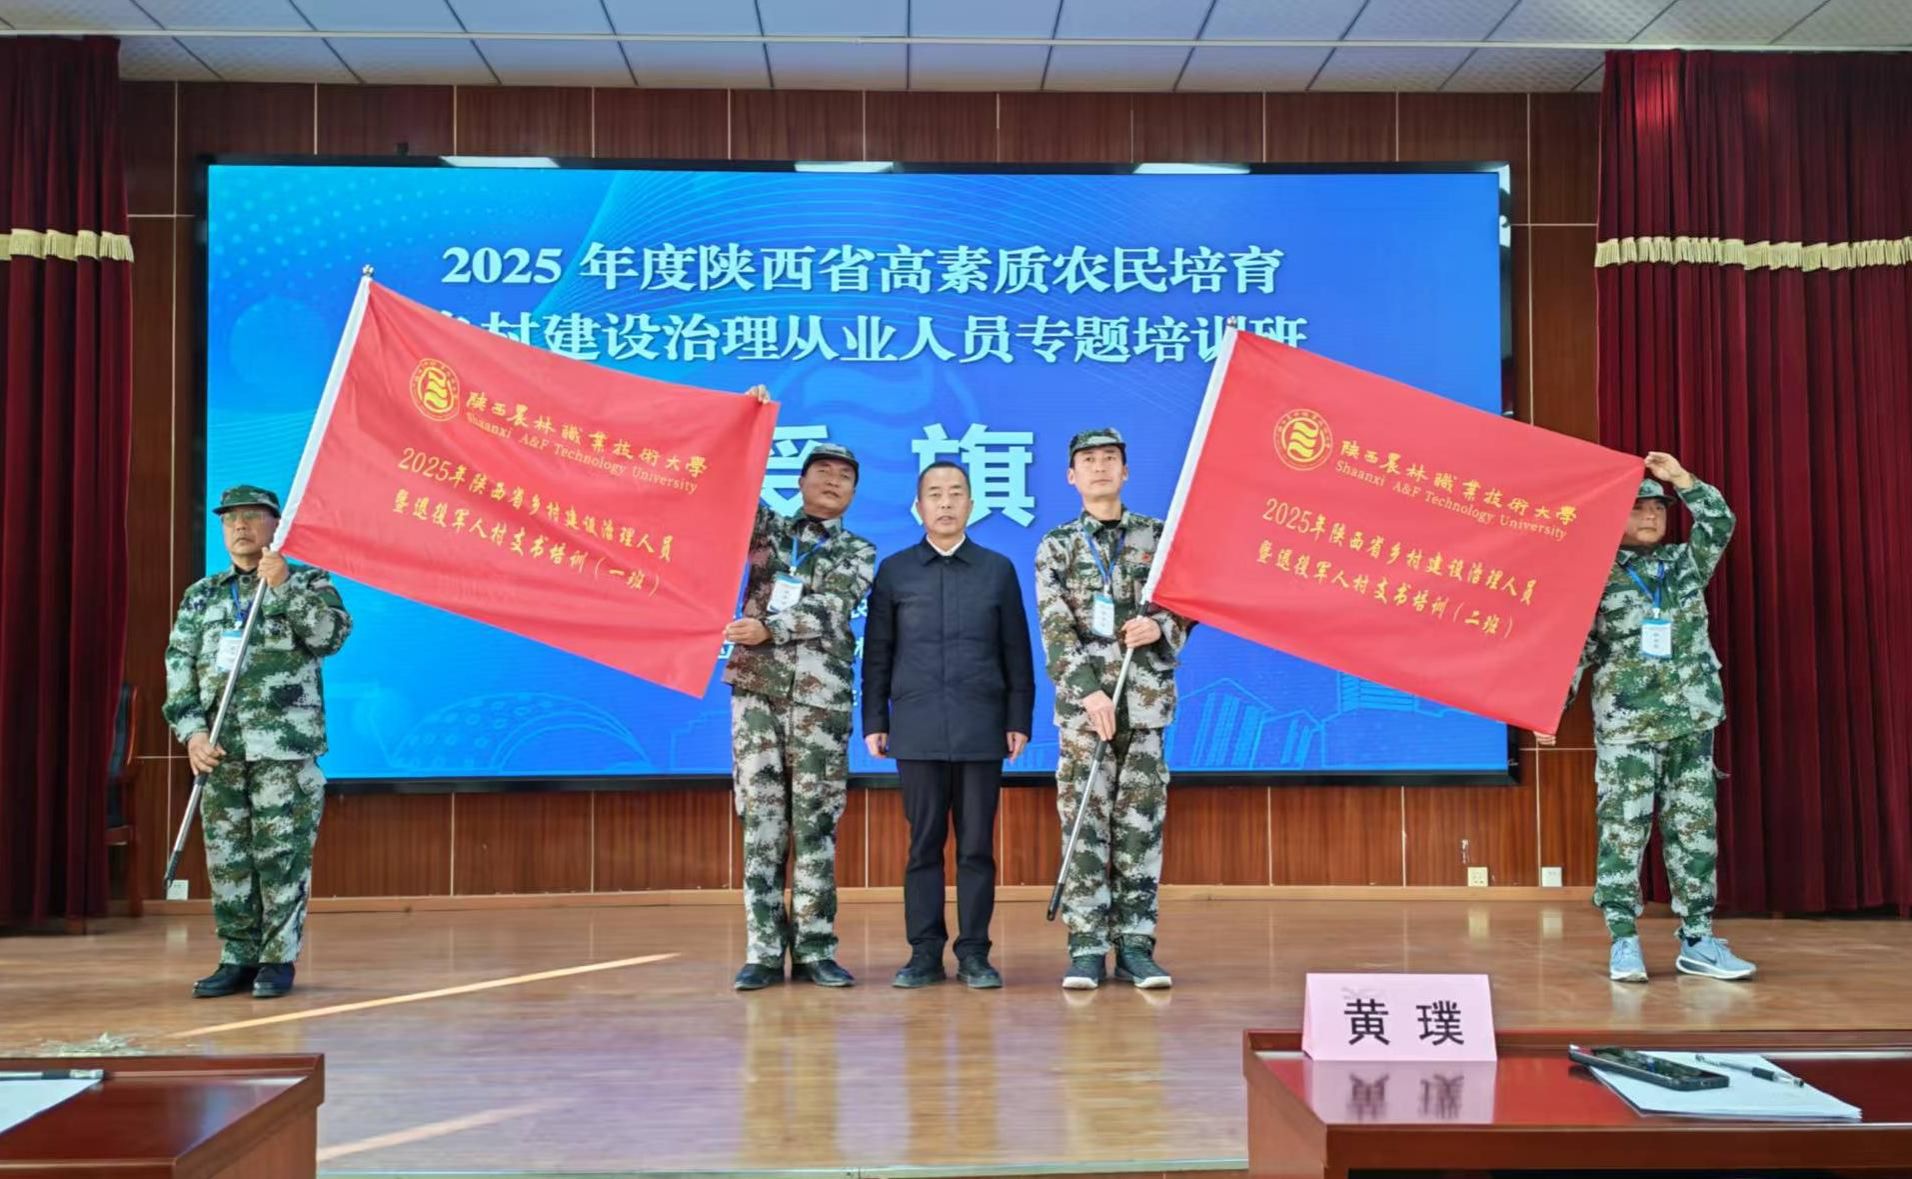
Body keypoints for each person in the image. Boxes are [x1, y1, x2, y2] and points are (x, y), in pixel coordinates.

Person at [1540, 452, 1753, 982]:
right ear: (1618, 516)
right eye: (1640, 508)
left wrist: (1682, 480)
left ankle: (1698, 939)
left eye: (1658, 508)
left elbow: (1719, 522)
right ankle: (1623, 940)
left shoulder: (1685, 564)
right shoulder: (1595, 576)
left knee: (1694, 833)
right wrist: (1549, 710)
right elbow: (1576, 650)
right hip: (1628, 727)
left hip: (1691, 720)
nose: (1652, 516)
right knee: (1623, 831)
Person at [162, 485, 352, 999]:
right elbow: (179, 667)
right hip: (220, 752)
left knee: (281, 856)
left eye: (251, 516)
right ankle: (237, 957)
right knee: (229, 859)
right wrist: (192, 733)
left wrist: (284, 585)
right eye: (230, 520)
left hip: (283, 751)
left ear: (275, 524)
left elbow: (330, 637)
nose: (240, 526)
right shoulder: (202, 594)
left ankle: (276, 959)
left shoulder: (309, 581)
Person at [862, 460, 1036, 990]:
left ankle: (975, 953)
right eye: (934, 494)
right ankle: (924, 953)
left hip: (982, 726)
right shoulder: (895, 571)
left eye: (956, 493)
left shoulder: (996, 569)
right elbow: (878, 653)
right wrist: (875, 719)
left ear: (971, 505)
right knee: (923, 845)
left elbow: (1016, 650)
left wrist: (1018, 717)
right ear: (918, 506)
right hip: (915, 728)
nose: (945, 502)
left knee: (976, 847)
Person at [1034, 428, 1194, 991]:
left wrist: (1162, 626)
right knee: (1084, 828)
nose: (1099, 467)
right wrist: (1089, 691)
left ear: (1125, 471)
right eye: (1088, 460)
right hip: (1086, 714)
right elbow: (1055, 627)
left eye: (1109, 459)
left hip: (1145, 705)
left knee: (1139, 827)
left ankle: (1135, 946)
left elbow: (1188, 604)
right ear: (1070, 476)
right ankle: (1086, 948)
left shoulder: (1158, 537)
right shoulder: (1057, 546)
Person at [723, 415, 877, 992]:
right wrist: (746, 425)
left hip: (820, 702)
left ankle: (816, 949)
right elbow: (731, 488)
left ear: (854, 491)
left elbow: (833, 606)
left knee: (816, 823)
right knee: (761, 822)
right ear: (801, 479)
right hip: (757, 693)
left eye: (844, 476)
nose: (832, 481)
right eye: (822, 471)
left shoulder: (860, 550)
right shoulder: (766, 529)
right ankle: (763, 952)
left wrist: (771, 629)